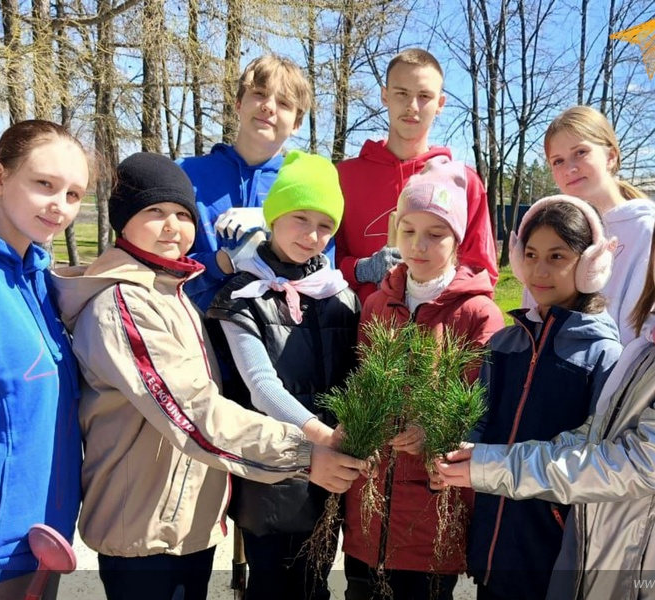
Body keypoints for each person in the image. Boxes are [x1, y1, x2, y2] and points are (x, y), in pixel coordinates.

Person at [437, 181, 655, 600]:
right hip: (643, 545)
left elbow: (637, 462)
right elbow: (601, 435)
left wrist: (494, 466)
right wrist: (485, 458)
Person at [51, 152, 365, 600]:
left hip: (179, 519)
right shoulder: (123, 304)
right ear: (122, 219)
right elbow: (192, 411)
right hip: (144, 525)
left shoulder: (167, 290)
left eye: (182, 213)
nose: (171, 226)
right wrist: (304, 452)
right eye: (153, 211)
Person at [342, 156, 505, 600]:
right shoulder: (378, 304)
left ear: (458, 239)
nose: (419, 245)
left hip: (429, 515)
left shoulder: (477, 314)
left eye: (436, 234)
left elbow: (481, 408)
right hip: (368, 509)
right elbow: (362, 384)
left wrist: (431, 430)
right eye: (408, 231)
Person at [205, 150, 360, 600]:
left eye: (325, 225)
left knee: (314, 585)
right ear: (274, 216)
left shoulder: (336, 294)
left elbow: (355, 375)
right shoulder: (242, 295)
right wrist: (320, 437)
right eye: (300, 218)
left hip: (329, 474)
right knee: (272, 585)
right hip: (272, 471)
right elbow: (260, 383)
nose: (312, 236)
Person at [467, 195, 623, 600]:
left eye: (557, 256)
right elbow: (479, 422)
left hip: (548, 550)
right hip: (492, 543)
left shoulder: (602, 355)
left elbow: (597, 456)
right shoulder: (504, 343)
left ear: (591, 265)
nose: (539, 270)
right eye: (531, 254)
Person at [0, 120, 90, 600]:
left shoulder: (42, 283)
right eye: (44, 184)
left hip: (45, 537)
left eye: (73, 194)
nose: (60, 206)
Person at [335, 48, 498, 305]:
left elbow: (481, 270)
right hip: (356, 334)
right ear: (384, 96)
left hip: (435, 338)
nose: (412, 107)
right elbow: (320, 258)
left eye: (424, 96)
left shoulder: (463, 182)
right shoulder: (343, 177)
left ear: (440, 104)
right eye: (401, 94)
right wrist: (360, 269)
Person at [178, 54, 315, 312]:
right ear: (239, 103)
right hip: (197, 337)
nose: (269, 107)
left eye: (284, 103)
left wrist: (271, 221)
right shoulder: (186, 175)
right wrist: (221, 262)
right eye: (260, 93)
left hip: (277, 341)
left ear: (297, 123)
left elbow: (321, 273)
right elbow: (162, 268)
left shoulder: (306, 187)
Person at [535, 105, 655, 343]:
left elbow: (639, 322)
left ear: (610, 156)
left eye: (580, 152)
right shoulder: (553, 226)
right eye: (557, 161)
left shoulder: (645, 229)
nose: (570, 168)